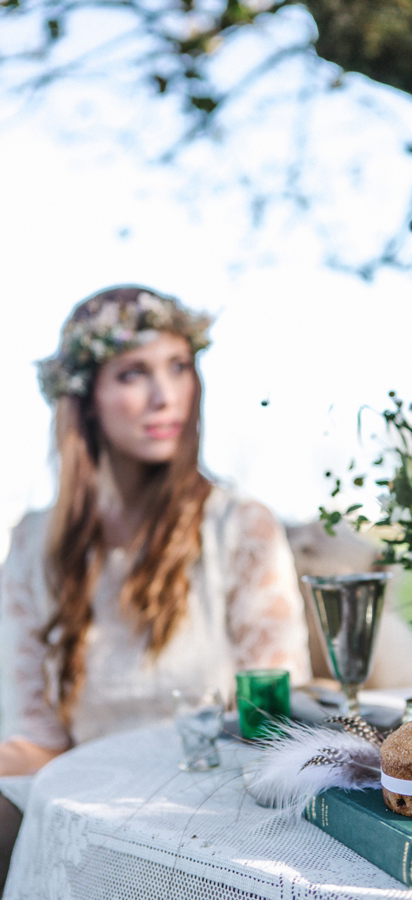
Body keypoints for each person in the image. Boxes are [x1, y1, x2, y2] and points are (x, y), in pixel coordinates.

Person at [0, 285, 311, 888]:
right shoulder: (35, 545)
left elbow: (275, 714)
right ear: (85, 398)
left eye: (178, 368)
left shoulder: (239, 526)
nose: (164, 396)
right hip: (73, 791)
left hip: (210, 799)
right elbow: (30, 734)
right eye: (133, 373)